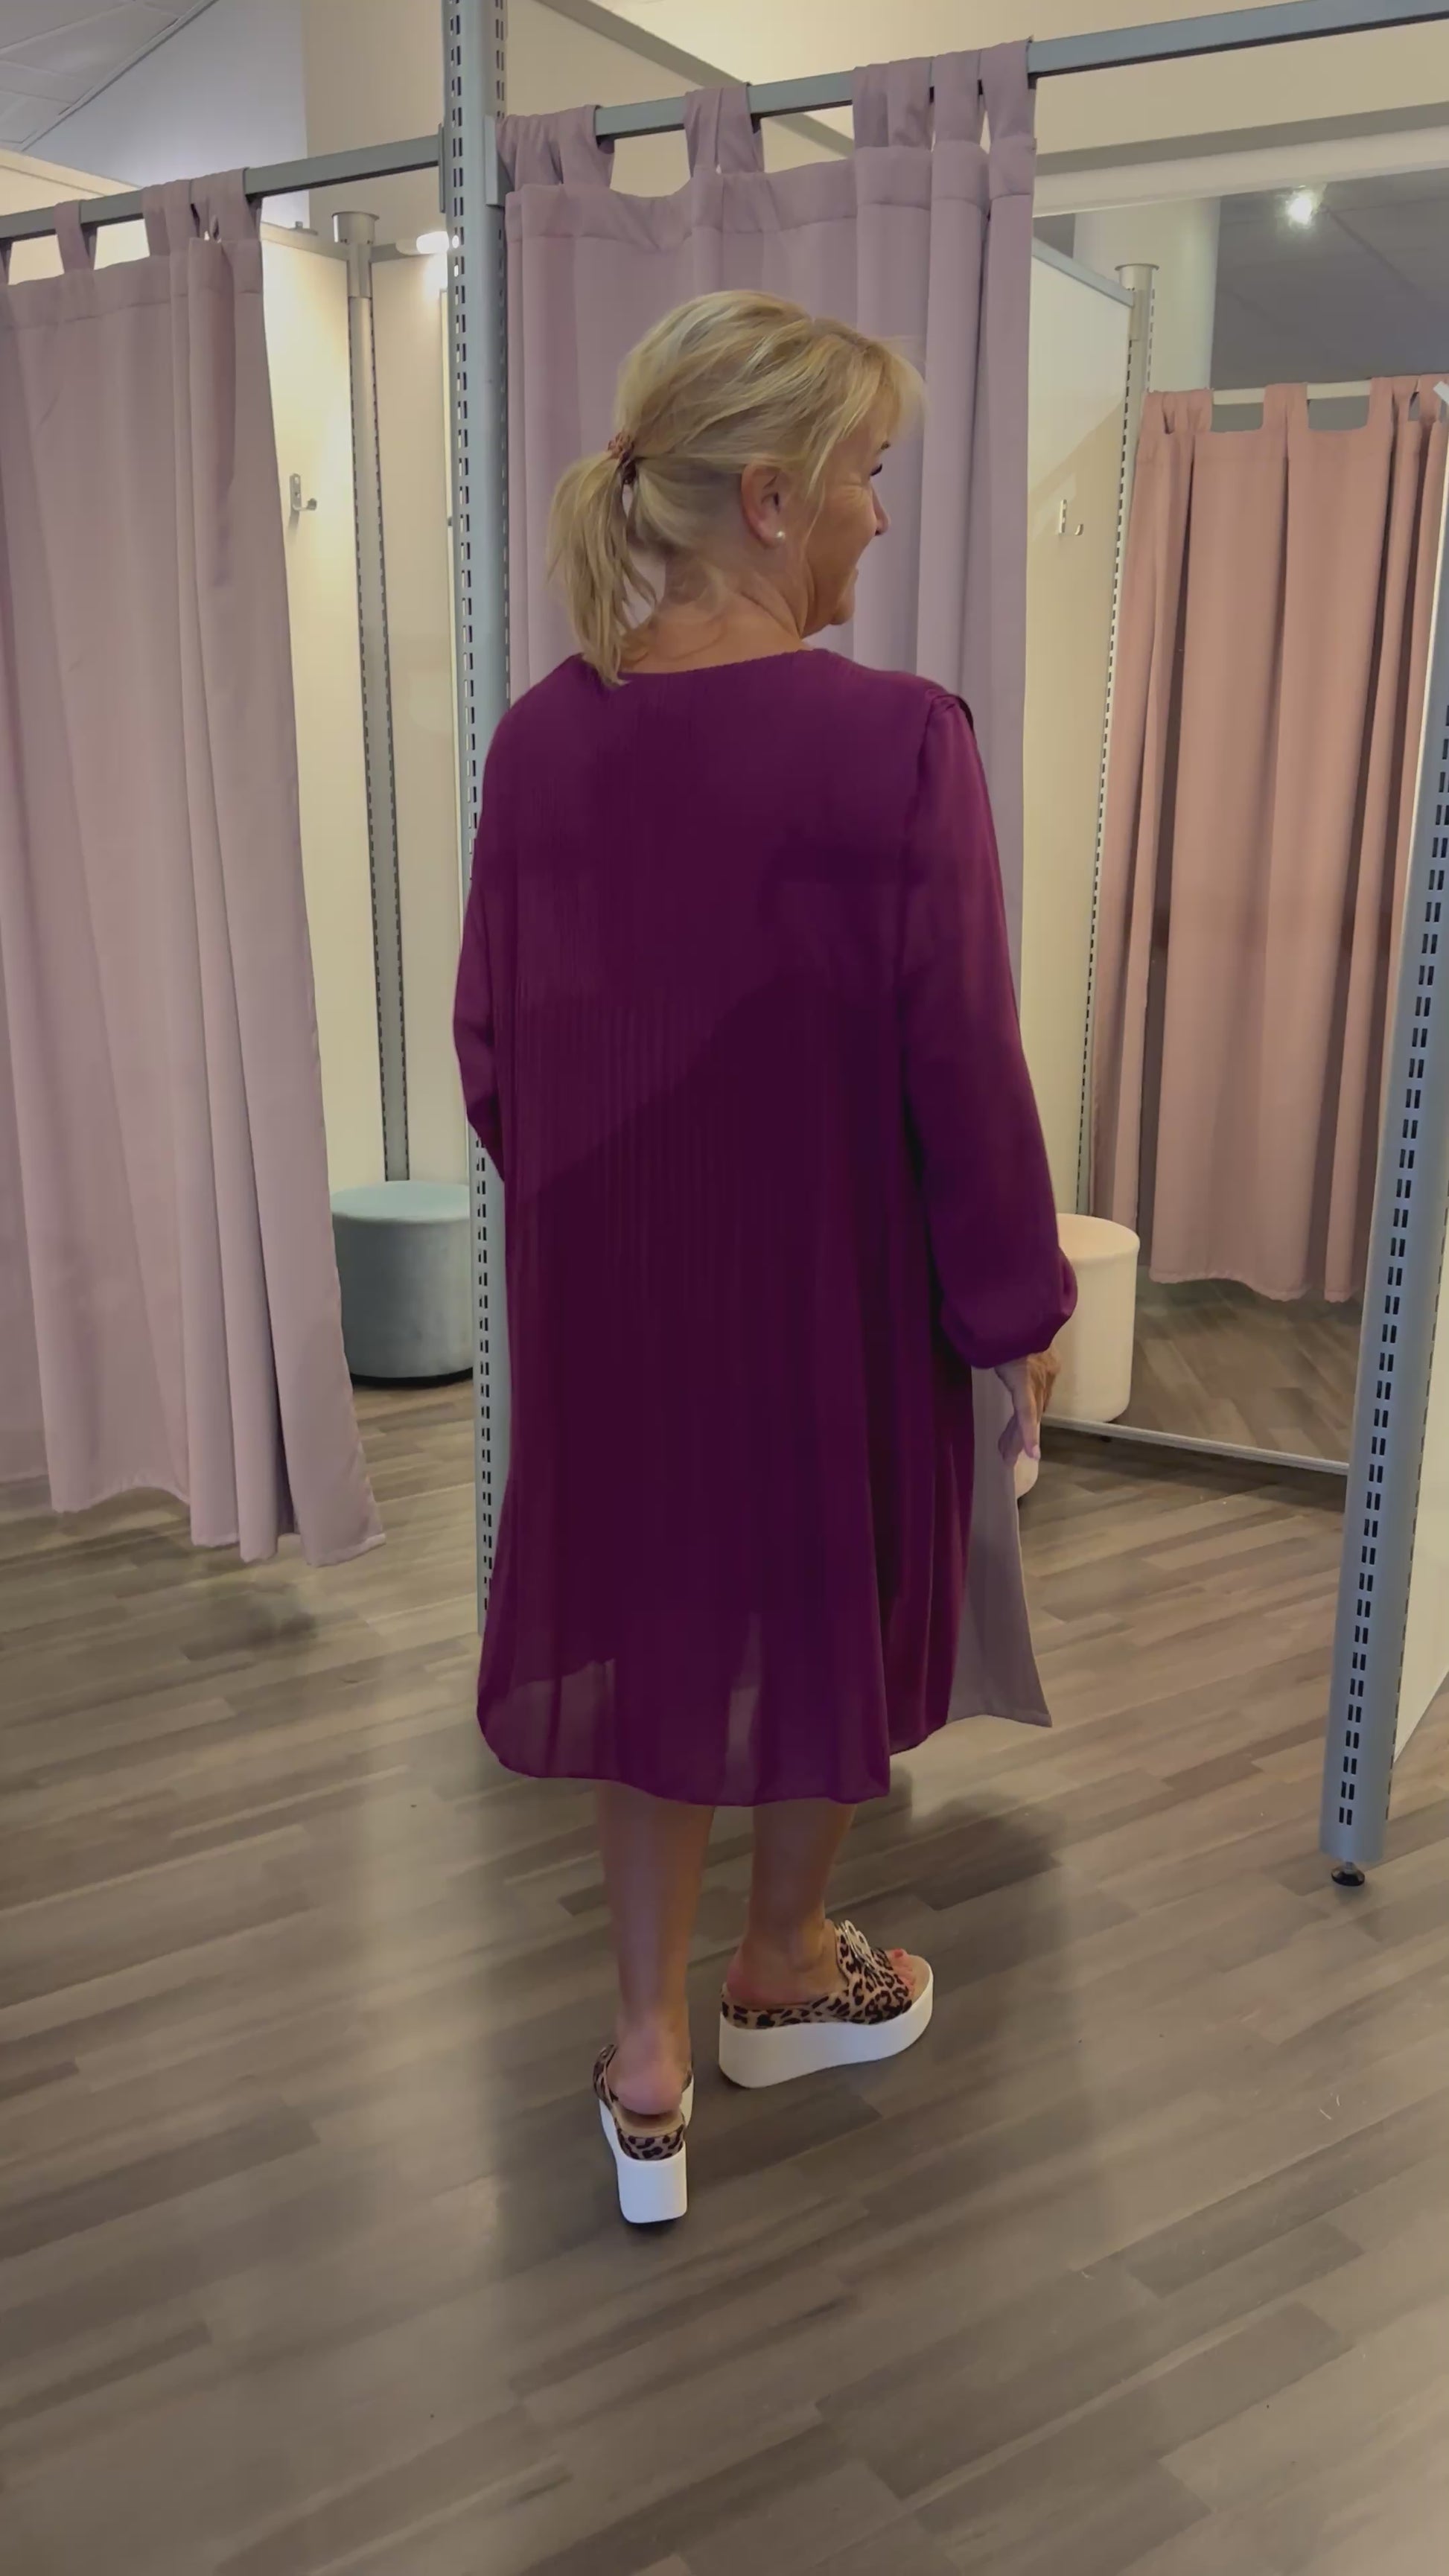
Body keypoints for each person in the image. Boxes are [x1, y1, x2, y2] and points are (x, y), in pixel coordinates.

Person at [454, 290, 1075, 2225]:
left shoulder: (540, 744)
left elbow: (493, 1050)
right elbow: (960, 1062)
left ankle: (646, 2057)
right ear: (769, 496)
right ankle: (787, 1967)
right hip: (832, 1296)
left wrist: (616, 1218)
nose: (880, 515)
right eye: (867, 476)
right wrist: (1015, 1306)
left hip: (618, 1304)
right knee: (820, 1597)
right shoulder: (896, 743)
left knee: (652, 1631)